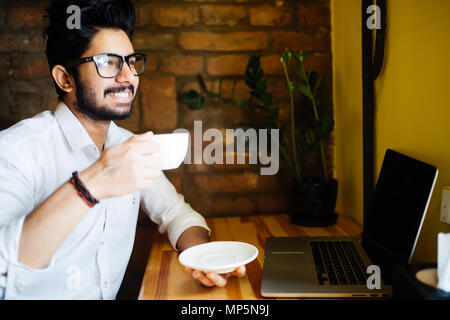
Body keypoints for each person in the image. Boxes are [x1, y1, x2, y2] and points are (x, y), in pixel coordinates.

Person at [0, 0, 245, 299]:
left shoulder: (127, 146)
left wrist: (203, 260)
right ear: (65, 78)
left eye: (130, 61)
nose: (128, 76)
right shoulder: (16, 150)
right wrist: (92, 183)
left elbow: (175, 212)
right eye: (108, 62)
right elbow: (4, 268)